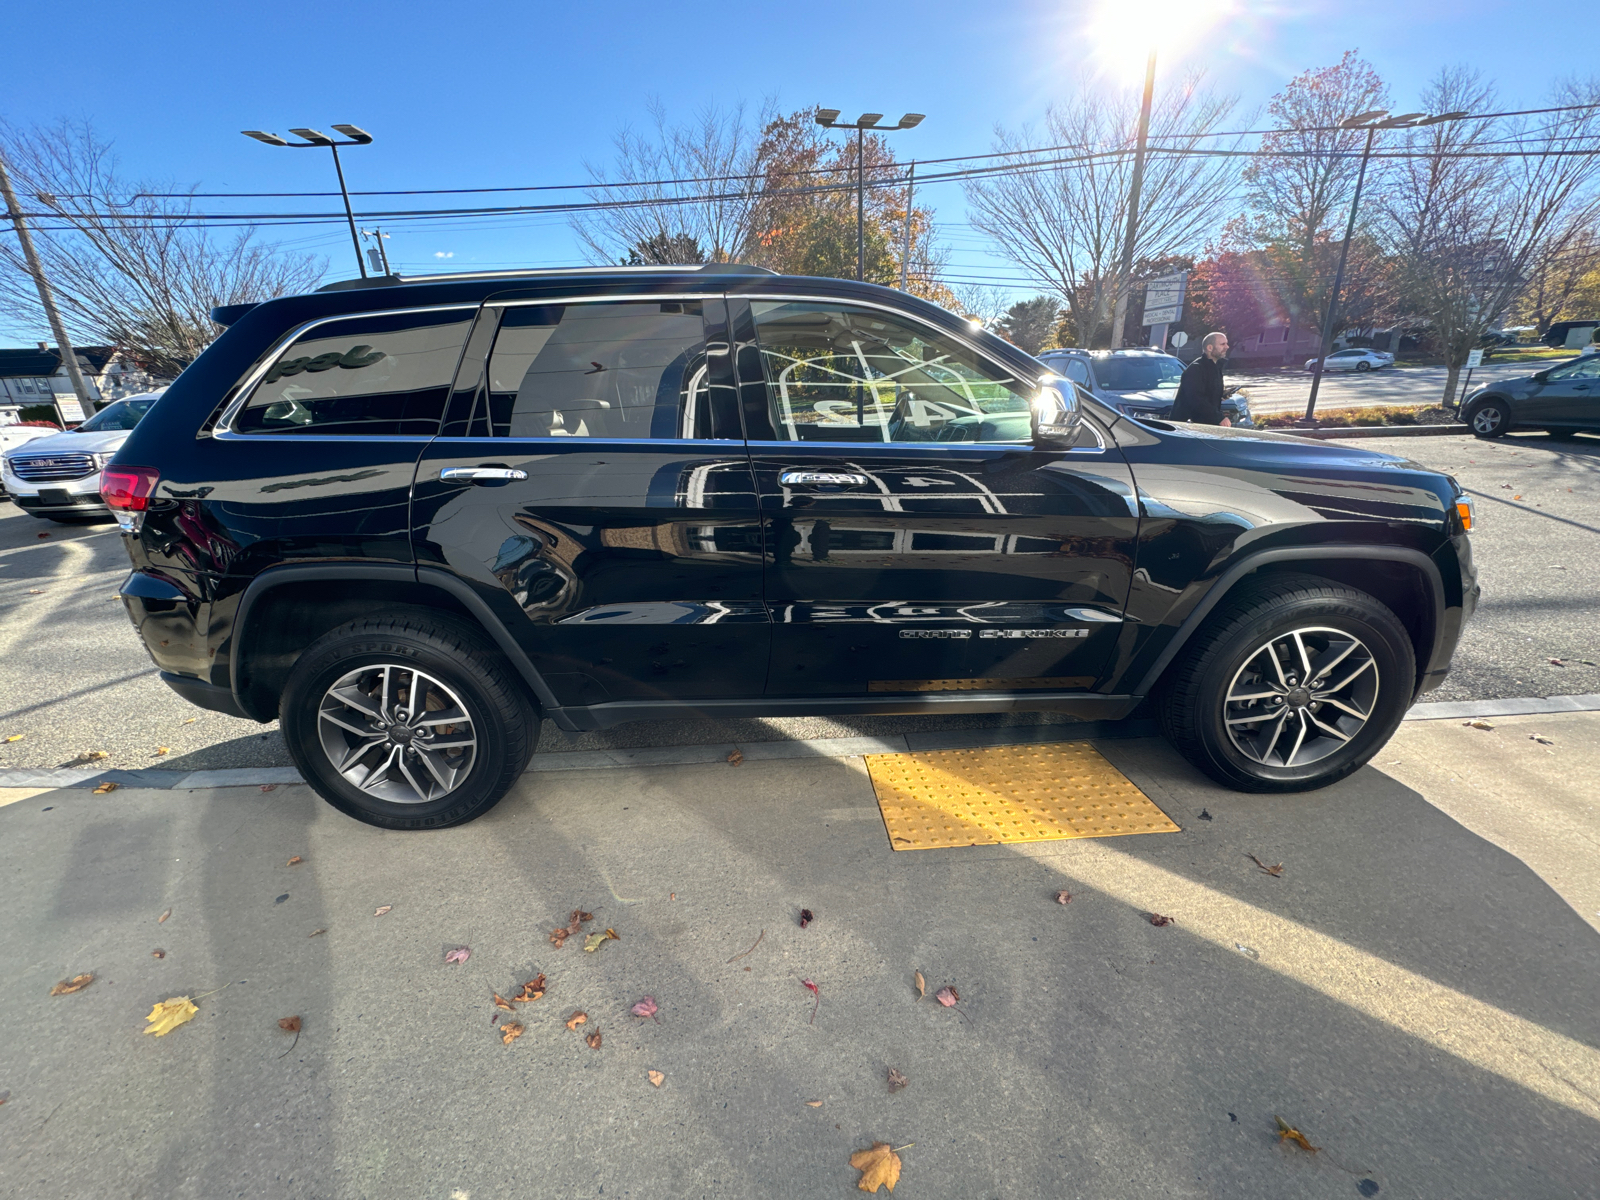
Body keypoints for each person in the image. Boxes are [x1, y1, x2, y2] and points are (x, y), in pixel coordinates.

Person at [1170, 331, 1231, 426]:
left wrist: (1221, 395)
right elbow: (1195, 399)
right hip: (1187, 428)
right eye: (1223, 344)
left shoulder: (1216, 367)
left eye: (1226, 343)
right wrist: (1219, 418)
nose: (1227, 347)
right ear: (1209, 347)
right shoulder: (1196, 368)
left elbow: (1206, 393)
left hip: (1205, 426)